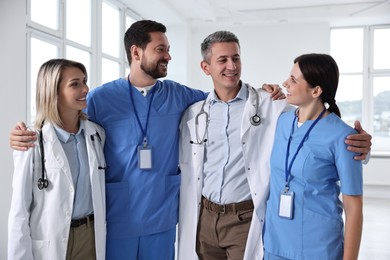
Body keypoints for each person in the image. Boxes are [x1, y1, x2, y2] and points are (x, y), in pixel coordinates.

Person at [178, 32, 370, 260]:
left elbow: (322, 125)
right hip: (212, 220)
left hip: (248, 220)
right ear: (205, 67)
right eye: (223, 60)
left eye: (236, 58)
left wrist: (362, 147)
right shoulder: (197, 111)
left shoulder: (271, 105)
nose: (232, 66)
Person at [263, 54, 363, 259]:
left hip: (317, 247)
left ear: (316, 91)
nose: (285, 83)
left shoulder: (344, 137)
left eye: (293, 80)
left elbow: (354, 208)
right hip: (275, 243)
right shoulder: (282, 121)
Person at [8, 59, 106, 260]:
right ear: (53, 91)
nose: (86, 88)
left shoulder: (96, 135)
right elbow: (19, 212)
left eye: (85, 81)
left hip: (91, 237)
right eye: (75, 83)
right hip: (51, 240)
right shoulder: (32, 141)